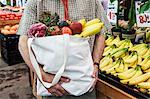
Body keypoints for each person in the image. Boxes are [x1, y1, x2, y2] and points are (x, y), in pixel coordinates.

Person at [17, 0, 112, 99]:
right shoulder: (35, 2)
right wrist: (42, 75)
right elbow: (23, 42)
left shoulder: (92, 1)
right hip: (51, 83)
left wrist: (96, 64)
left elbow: (101, 33)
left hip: (83, 80)